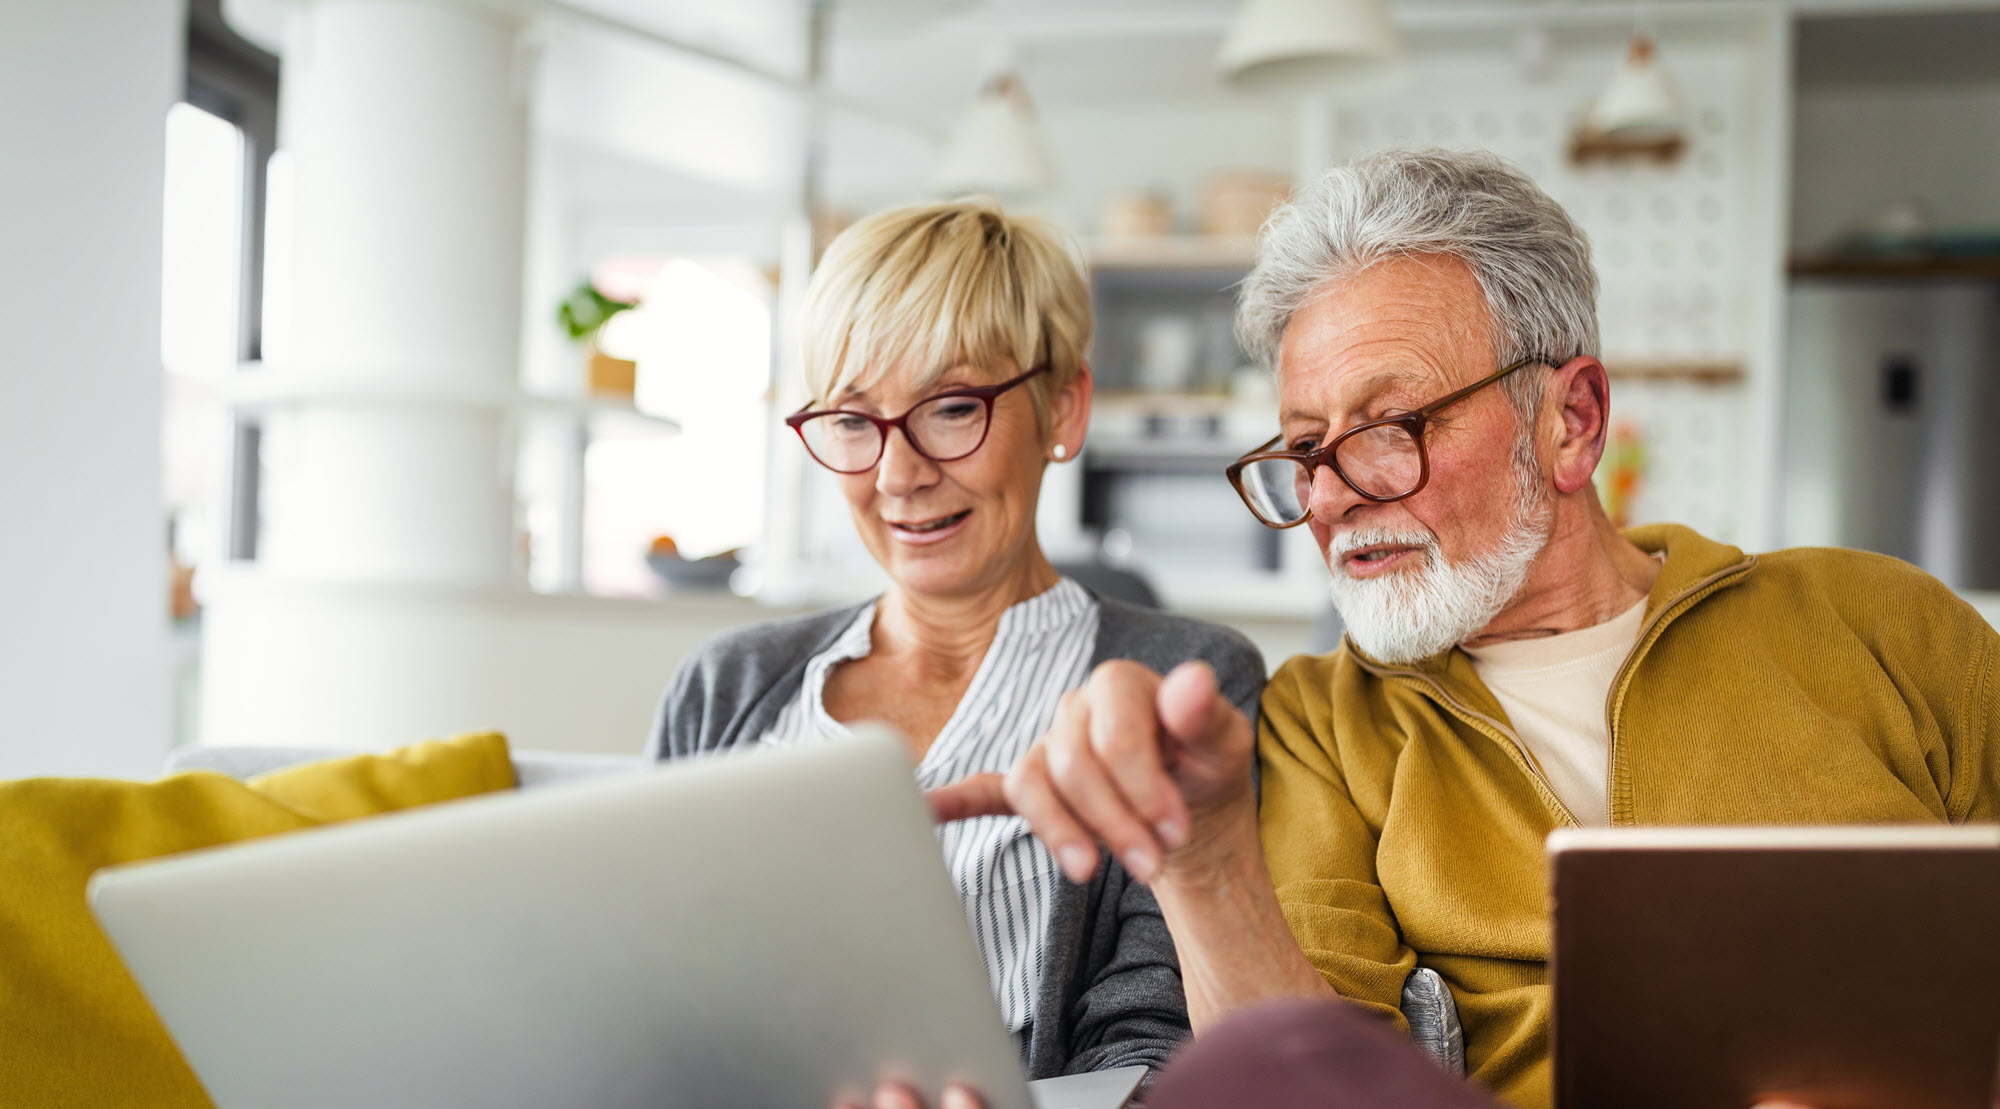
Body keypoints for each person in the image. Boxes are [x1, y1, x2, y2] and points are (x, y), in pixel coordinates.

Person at [928, 148, 2000, 1109]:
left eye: (1388, 428)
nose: (1333, 495)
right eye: (1304, 448)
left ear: (1569, 422)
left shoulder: (1881, 624)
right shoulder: (1319, 725)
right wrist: (1200, 865)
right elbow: (1304, 1088)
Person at [646, 198, 1265, 1082]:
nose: (898, 474)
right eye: (854, 421)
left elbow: (1153, 1054)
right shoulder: (726, 685)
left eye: (951, 408)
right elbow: (643, 991)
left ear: (1063, 408)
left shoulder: (1182, 685)